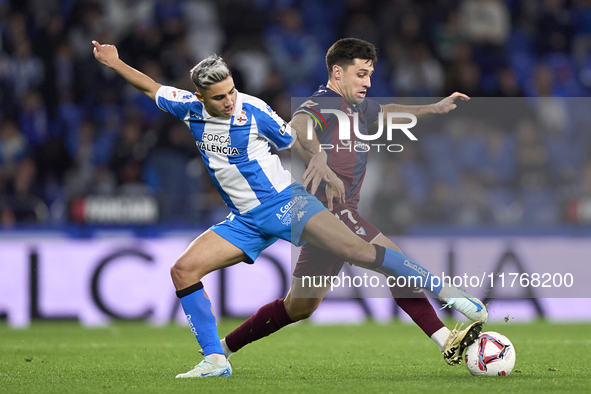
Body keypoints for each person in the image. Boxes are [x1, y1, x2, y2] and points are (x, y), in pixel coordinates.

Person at [92, 39, 487, 379]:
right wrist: (113, 63)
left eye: (232, 91)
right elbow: (151, 87)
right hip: (244, 220)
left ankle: (448, 294)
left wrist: (317, 156)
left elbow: (296, 132)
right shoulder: (187, 107)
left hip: (285, 202)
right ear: (200, 98)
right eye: (219, 97)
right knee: (189, 272)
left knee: (360, 252)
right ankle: (216, 358)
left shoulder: (254, 110)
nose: (229, 101)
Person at [219, 38, 484, 367]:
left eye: (370, 74)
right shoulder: (324, 102)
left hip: (336, 216)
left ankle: (222, 349)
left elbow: (387, 112)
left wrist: (432, 108)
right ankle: (447, 325)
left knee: (299, 307)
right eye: (361, 74)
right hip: (331, 211)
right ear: (337, 72)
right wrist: (316, 153)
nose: (368, 82)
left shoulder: (357, 107)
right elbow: (300, 124)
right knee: (396, 263)